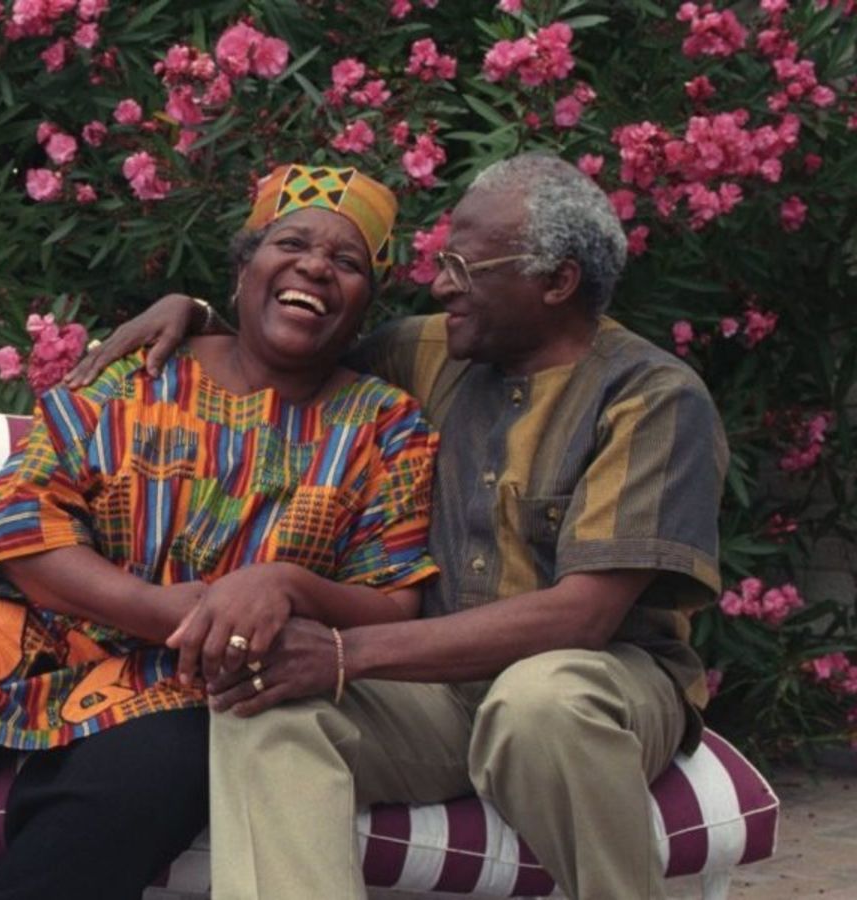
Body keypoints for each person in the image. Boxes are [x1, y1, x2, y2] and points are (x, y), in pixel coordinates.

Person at [0, 163, 442, 900]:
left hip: (183, 685)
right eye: (291, 243)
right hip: (18, 630)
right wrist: (171, 610)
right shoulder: (144, 368)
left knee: (130, 798)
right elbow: (21, 530)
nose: (315, 268)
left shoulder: (386, 427)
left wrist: (287, 585)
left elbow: (392, 603)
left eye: (347, 261)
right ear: (243, 269)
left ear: (367, 302)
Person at [70, 152, 728, 900]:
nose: (441, 283)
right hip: (437, 691)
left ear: (557, 281)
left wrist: (348, 653)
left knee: (539, 704)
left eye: (466, 266)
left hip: (600, 681)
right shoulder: (434, 350)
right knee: (266, 701)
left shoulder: (651, 398)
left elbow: (583, 615)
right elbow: (292, 334)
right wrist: (195, 311)